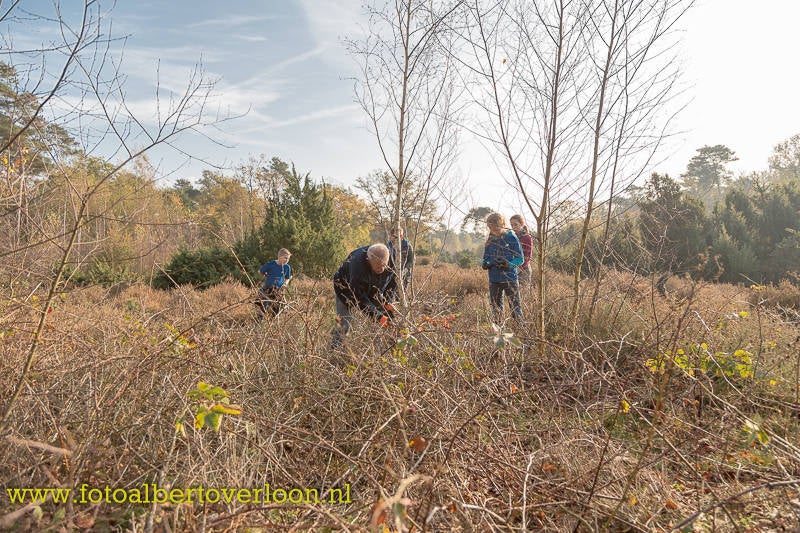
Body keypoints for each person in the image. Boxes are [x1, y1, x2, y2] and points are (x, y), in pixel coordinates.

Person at [331, 243, 398, 350]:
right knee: (344, 324)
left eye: (384, 265)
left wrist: (388, 300)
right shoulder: (357, 264)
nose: (381, 269)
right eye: (377, 267)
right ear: (368, 260)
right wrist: (378, 317)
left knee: (390, 319)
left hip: (374, 289)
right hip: (346, 289)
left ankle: (392, 347)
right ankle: (335, 352)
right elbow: (359, 298)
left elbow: (393, 281)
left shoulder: (393, 258)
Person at [482, 213, 524, 324]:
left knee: (516, 310)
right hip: (494, 280)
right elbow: (485, 259)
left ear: (502, 225)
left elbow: (520, 259)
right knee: (496, 311)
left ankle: (523, 334)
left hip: (510, 279)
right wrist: (487, 263)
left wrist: (508, 264)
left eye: (495, 228)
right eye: (490, 228)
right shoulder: (489, 240)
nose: (493, 231)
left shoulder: (511, 237)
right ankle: (499, 337)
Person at [256, 248, 292, 318]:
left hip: (278, 290)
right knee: (263, 306)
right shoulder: (270, 264)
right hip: (267, 288)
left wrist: (285, 284)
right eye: (285, 258)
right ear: (279, 257)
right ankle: (259, 322)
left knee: (276, 308)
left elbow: (287, 278)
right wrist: (266, 276)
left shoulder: (287, 267)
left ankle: (273, 322)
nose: (287, 260)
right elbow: (260, 271)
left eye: (288, 259)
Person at [387, 226, 414, 292]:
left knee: (400, 296)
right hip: (391, 276)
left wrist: (403, 271)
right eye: (393, 236)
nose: (393, 238)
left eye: (397, 237)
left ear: (401, 236)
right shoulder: (388, 246)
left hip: (404, 277)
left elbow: (412, 261)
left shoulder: (407, 246)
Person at [510, 214, 533, 287]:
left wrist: (519, 268)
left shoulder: (526, 237)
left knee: (524, 295)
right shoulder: (513, 237)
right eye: (512, 225)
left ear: (522, 224)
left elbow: (527, 256)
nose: (513, 227)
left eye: (516, 224)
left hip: (524, 270)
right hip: (513, 268)